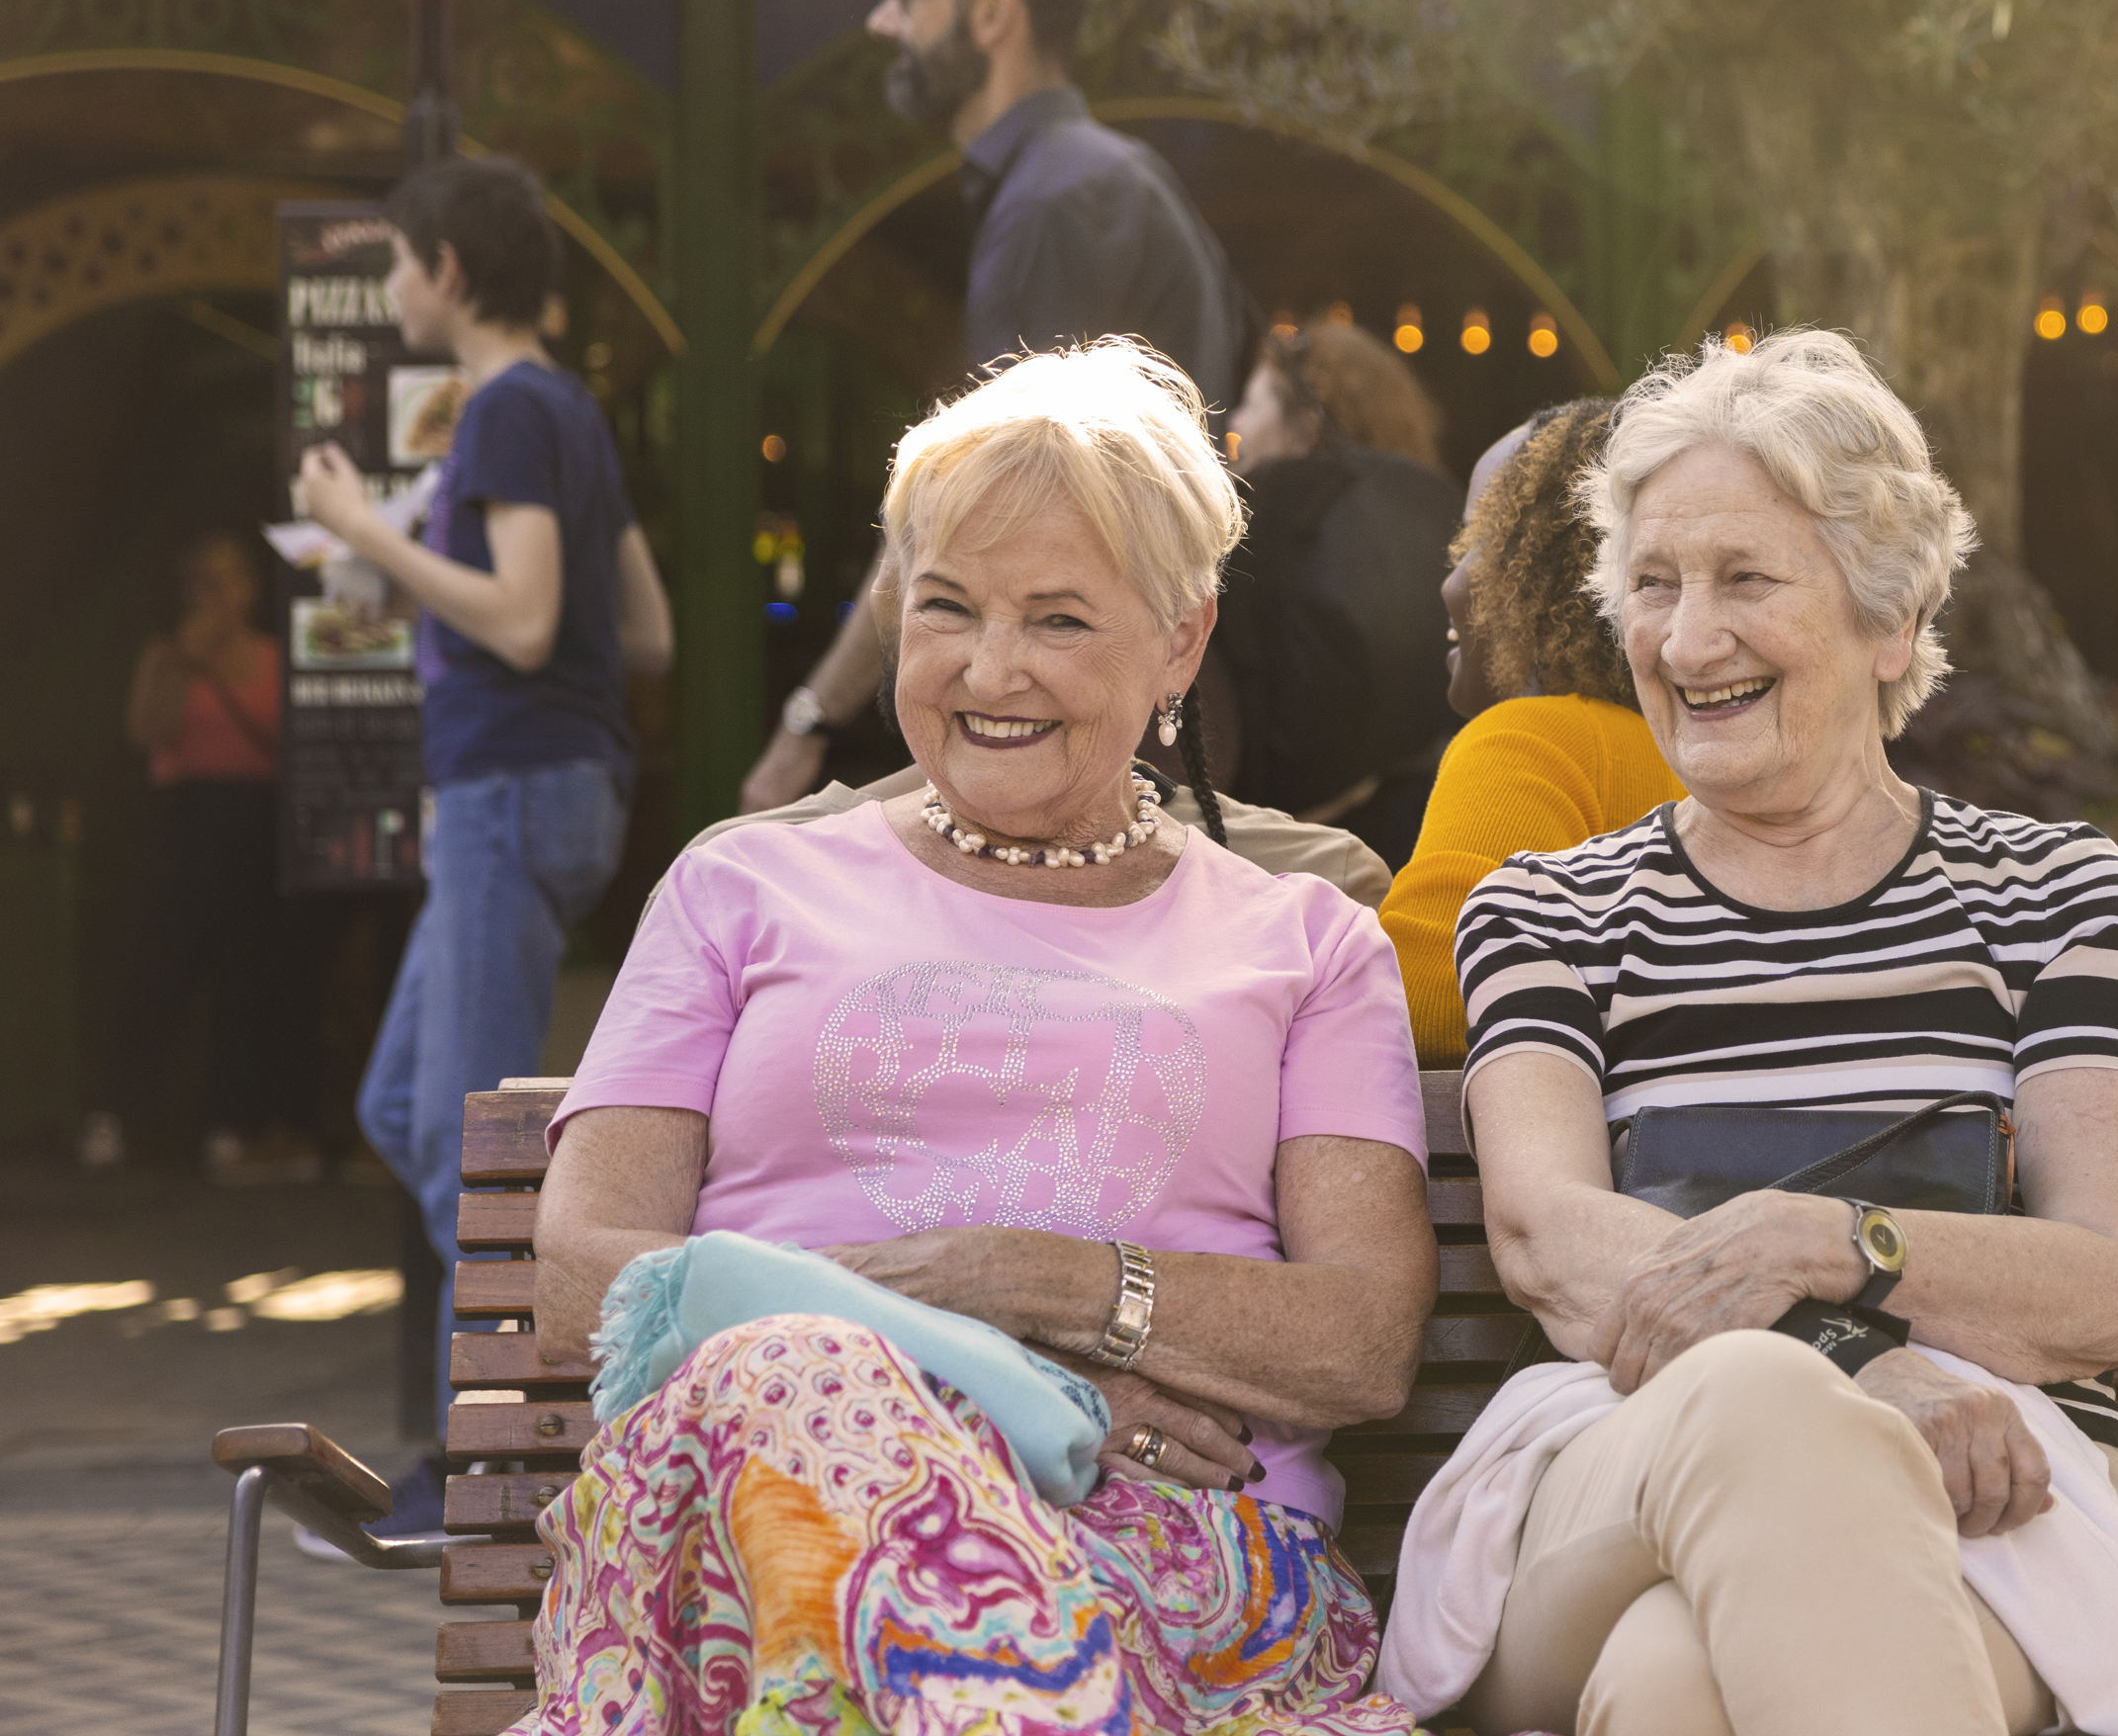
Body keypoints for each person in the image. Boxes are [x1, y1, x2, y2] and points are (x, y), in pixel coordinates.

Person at [529, 342, 1432, 1736]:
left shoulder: (1307, 941)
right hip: (759, 1527)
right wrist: (971, 1356)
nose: (988, 668)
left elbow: (1363, 1335)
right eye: (945, 607)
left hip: (1168, 1552)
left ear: (1180, 640)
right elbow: (588, 1276)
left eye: (1061, 620)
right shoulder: (736, 888)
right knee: (795, 1388)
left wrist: (1033, 1278)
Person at [1425, 331, 2118, 1736]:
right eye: (1655, 586)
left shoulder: (2055, 895)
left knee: (1675, 1691)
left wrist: (1826, 1241)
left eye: (1745, 580)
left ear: (1892, 620)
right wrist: (1861, 1359)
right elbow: (1552, 1239)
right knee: (1758, 1399)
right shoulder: (1549, 911)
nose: (1686, 640)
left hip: (2014, 1492)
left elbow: (2106, 1278)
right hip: (1625, 1472)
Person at [296, 155, 671, 1530]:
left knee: (470, 1147)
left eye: (400, 256)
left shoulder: (507, 409)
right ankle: (528, 1414)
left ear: (450, 269)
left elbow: (520, 618)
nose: (393, 282)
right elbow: (643, 630)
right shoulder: (563, 412)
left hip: (508, 797)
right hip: (549, 789)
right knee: (404, 1107)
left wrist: (357, 532)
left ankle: (491, 1469)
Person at [740, 0, 1251, 813]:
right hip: (1123, 707)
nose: (881, 21)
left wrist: (805, 724)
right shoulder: (1095, 177)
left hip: (1096, 733)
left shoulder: (1057, 197)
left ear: (990, 13)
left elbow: (983, 498)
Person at [1377, 397, 1681, 1066]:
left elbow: (1421, 1008)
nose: (1452, 578)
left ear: (1554, 573)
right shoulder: (1702, 761)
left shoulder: (1527, 742)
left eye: (1477, 538)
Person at [100, 532, 319, 1182]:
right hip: (186, 824)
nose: (212, 595)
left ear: (251, 590)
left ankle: (231, 1122)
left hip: (256, 825)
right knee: (160, 967)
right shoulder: (167, 654)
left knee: (244, 974)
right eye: (200, 582)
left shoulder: (277, 659)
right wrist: (184, 661)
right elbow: (145, 732)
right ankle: (116, 1117)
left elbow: (297, 749)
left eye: (224, 581)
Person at [1209, 321, 1460, 864]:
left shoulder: (1267, 521)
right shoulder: (1428, 512)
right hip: (1414, 826)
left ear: (1303, 424)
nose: (1236, 423)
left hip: (1269, 844)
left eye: (1253, 405)